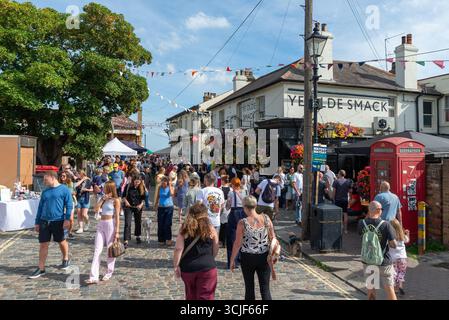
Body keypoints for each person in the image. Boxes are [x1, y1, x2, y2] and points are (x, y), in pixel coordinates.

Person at [29, 171, 73, 279]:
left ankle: (66, 258)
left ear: (52, 177)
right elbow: (40, 207)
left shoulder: (64, 189)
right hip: (44, 221)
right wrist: (37, 222)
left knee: (61, 241)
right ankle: (41, 268)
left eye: (45, 179)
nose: (44, 181)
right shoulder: (45, 192)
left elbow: (69, 205)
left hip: (58, 221)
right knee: (43, 244)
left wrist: (67, 219)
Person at [230, 196, 275, 300]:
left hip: (247, 258)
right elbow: (273, 238)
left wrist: (232, 260)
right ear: (255, 206)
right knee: (265, 289)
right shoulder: (266, 219)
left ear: (245, 207)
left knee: (249, 288)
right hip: (264, 257)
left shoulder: (243, 222)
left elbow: (237, 243)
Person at [173, 202, 219, 300]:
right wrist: (210, 258)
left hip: (188, 268)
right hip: (207, 267)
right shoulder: (211, 228)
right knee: (206, 297)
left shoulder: (185, 228)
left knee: (190, 296)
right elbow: (215, 247)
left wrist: (176, 266)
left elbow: (178, 249)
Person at [358, 201, 397, 300]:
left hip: (368, 260)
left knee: (371, 288)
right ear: (379, 210)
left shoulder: (361, 223)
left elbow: (362, 237)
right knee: (389, 289)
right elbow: (394, 245)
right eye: (381, 209)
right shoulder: (386, 225)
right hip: (384, 262)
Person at [85, 181, 121, 284]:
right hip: (101, 223)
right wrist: (102, 200)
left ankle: (109, 272)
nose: (103, 189)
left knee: (110, 249)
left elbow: (117, 217)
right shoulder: (103, 198)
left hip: (110, 224)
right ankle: (93, 276)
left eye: (105, 187)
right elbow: (96, 209)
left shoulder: (116, 200)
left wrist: (117, 231)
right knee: (97, 249)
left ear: (110, 188)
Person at [225, 177, 248, 269]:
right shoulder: (245, 192)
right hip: (243, 213)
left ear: (233, 184)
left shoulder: (231, 192)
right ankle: (241, 259)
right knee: (242, 237)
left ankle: (232, 261)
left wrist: (226, 205)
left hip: (234, 213)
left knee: (232, 237)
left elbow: (228, 206)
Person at [123, 175, 145, 247]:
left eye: (138, 182)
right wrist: (126, 202)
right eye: (136, 182)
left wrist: (141, 205)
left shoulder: (142, 187)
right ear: (133, 181)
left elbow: (143, 198)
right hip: (128, 207)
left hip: (138, 207)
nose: (137, 184)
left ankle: (138, 236)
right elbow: (123, 196)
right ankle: (126, 239)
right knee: (127, 223)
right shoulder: (128, 186)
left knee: (138, 222)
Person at [390, 219, 410, 296]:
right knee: (401, 273)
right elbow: (407, 240)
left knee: (394, 274)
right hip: (402, 258)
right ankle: (400, 286)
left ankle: (395, 289)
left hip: (393, 258)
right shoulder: (402, 236)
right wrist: (408, 234)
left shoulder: (390, 237)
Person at [154, 176, 175, 246]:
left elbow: (172, 194)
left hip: (169, 207)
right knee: (160, 224)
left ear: (167, 182)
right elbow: (158, 196)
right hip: (161, 207)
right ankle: (161, 239)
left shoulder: (169, 187)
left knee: (167, 224)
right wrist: (156, 204)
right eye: (162, 181)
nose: (163, 183)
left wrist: (170, 185)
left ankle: (168, 239)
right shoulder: (160, 188)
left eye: (165, 182)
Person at [332, 170, 352, 234]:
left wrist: (333, 198)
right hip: (345, 200)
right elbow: (350, 191)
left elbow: (334, 192)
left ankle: (338, 229)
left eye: (338, 173)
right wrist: (350, 198)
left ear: (339, 174)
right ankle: (345, 230)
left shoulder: (336, 181)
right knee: (345, 214)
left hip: (337, 200)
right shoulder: (348, 181)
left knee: (338, 215)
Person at [59, 172, 76, 239]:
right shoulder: (59, 185)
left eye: (64, 176)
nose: (62, 177)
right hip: (62, 203)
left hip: (70, 202)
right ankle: (64, 233)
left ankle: (70, 232)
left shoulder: (70, 184)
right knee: (64, 218)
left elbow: (74, 192)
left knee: (71, 219)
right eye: (61, 176)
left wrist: (73, 193)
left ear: (67, 177)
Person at [219, 175, 231, 248]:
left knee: (221, 225)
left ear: (223, 181)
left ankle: (221, 241)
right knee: (227, 226)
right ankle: (225, 242)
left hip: (222, 207)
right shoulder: (231, 189)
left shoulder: (219, 189)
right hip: (228, 208)